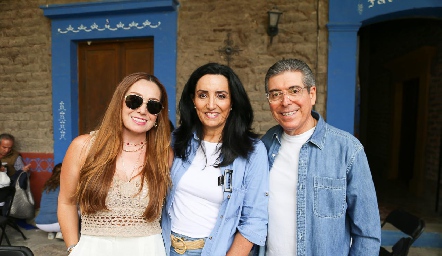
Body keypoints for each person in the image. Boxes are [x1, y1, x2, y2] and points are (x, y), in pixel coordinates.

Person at [261, 58, 381, 255]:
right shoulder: (263, 147)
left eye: (294, 90)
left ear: (312, 94)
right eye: (276, 94)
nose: (285, 101)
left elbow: (367, 233)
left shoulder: (347, 150)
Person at [58, 72, 172, 256]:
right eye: (134, 101)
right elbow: (66, 202)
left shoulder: (163, 155)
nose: (143, 110)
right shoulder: (84, 147)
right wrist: (73, 249)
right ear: (119, 102)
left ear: (158, 115)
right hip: (93, 249)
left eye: (153, 105)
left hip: (148, 249)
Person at [162, 63, 269, 256]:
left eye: (221, 95)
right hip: (164, 248)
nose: (211, 105)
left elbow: (255, 220)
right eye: (203, 95)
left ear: (233, 101)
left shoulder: (253, 151)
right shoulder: (176, 140)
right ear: (193, 100)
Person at [35, 163, 63, 240]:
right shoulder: (66, 185)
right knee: (76, 209)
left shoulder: (47, 185)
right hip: (59, 224)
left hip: (40, 223)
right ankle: (62, 232)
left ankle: (51, 233)